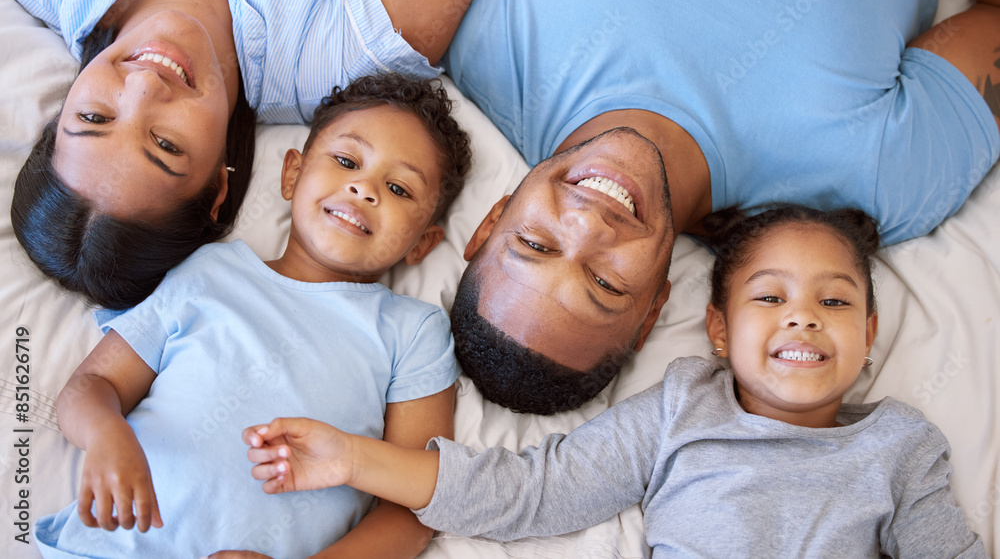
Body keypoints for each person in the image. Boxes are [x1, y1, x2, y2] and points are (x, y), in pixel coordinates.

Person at [443, 0, 1000, 413]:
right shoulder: (870, 181)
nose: (589, 226)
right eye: (606, 284)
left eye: (537, 243)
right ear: (653, 309)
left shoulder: (486, 41)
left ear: (491, 222)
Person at [239, 206, 988, 557]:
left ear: (871, 333)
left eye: (834, 301)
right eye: (770, 298)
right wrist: (351, 457)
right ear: (719, 330)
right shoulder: (682, 409)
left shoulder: (898, 445)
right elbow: (535, 490)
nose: (803, 319)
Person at [2, 0, 538, 310]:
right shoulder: (345, 53)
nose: (144, 88)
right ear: (219, 186)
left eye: (95, 116)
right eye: (165, 143)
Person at [34, 73, 473, 558]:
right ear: (292, 175)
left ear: (425, 243)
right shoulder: (208, 270)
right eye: (347, 161)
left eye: (398, 188)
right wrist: (105, 435)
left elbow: (414, 507)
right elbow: (92, 384)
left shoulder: (413, 332)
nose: (364, 189)